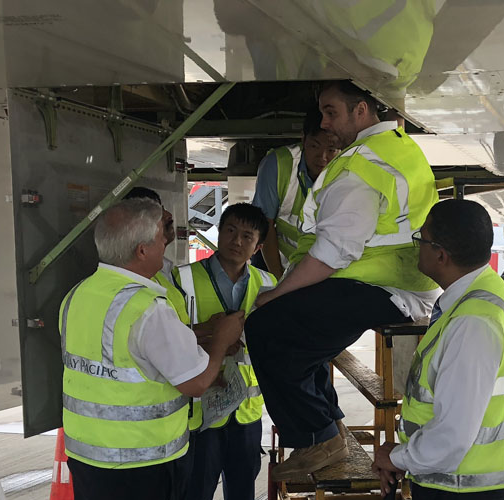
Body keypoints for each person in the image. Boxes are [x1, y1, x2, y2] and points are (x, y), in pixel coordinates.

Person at [245, 81, 440, 479]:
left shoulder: (359, 166)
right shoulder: (400, 148)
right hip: (399, 283)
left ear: (362, 110)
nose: (324, 122)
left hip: (382, 287)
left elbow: (334, 252)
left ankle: (317, 437)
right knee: (301, 336)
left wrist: (276, 293)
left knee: (264, 327)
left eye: (331, 112)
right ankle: (327, 423)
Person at [59, 198, 244, 500]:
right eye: (161, 237)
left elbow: (122, 357)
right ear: (142, 250)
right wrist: (222, 339)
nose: (165, 243)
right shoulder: (148, 308)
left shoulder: (77, 295)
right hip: (143, 464)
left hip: (88, 457)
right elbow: (195, 383)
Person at [372, 199, 504, 499]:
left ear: (441, 254)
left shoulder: (472, 322)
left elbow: (452, 435)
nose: (416, 247)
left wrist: (397, 458)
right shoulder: (483, 294)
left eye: (421, 240)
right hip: (459, 480)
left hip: (459, 486)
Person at [173, 203, 276, 500]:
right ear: (219, 232)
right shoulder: (183, 279)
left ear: (258, 246)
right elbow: (170, 339)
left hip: (246, 414)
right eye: (230, 230)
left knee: (242, 491)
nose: (237, 241)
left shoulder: (268, 285)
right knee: (196, 490)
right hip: (201, 412)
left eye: (247, 236)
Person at [252, 107, 340, 278]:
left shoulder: (348, 169)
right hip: (275, 258)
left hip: (322, 264)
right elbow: (265, 225)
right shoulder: (278, 165)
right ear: (303, 139)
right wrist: (279, 280)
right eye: (314, 146)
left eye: (331, 150)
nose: (322, 157)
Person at [124, 186, 189, 324]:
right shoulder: (140, 277)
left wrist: (209, 328)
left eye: (163, 208)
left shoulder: (163, 267)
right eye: (157, 213)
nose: (168, 215)